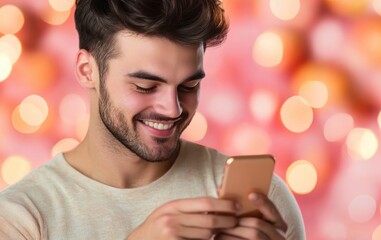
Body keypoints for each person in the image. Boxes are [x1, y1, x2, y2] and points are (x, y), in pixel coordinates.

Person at [0, 0, 306, 239]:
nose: (172, 109)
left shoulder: (264, 204)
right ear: (87, 71)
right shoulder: (21, 218)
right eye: (145, 86)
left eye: (189, 86)